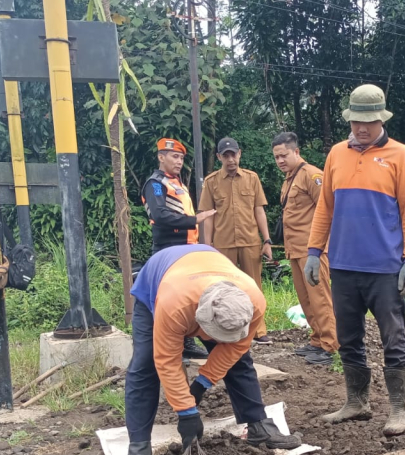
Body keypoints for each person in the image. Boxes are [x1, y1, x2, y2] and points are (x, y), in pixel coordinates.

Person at [122, 244, 301, 455]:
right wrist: (186, 412)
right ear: (202, 320)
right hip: (160, 280)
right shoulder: (175, 306)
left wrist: (202, 383)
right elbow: (167, 360)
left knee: (240, 362)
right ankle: (138, 447)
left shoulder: (254, 302)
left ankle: (259, 426)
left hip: (206, 268)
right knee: (145, 364)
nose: (218, 341)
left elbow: (235, 348)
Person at [305, 84, 405, 436]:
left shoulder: (401, 156)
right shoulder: (336, 154)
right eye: (356, 121)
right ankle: (357, 401)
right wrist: (314, 251)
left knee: (393, 336)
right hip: (343, 265)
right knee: (348, 335)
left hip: (385, 267)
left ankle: (399, 408)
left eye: (368, 122)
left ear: (381, 119)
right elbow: (325, 205)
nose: (361, 128)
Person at [140, 136, 216, 361]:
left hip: (186, 248)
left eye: (181, 157)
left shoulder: (178, 183)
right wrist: (196, 219)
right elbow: (160, 215)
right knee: (168, 298)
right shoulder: (155, 183)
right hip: (167, 248)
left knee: (187, 296)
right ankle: (169, 346)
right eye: (174, 156)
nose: (179, 161)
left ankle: (187, 342)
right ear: (161, 157)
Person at [271, 131, 338, 366]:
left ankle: (330, 345)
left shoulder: (312, 175)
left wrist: (321, 247)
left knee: (320, 298)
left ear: (296, 152)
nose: (280, 161)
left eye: (284, 155)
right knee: (306, 299)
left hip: (313, 250)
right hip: (294, 249)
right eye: (276, 157)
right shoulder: (289, 178)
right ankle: (318, 339)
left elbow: (329, 208)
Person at [198, 137, 274, 344]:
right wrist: (207, 246)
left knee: (254, 286)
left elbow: (259, 210)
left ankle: (258, 331)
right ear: (219, 157)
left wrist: (266, 240)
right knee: (224, 288)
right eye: (226, 155)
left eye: (233, 154)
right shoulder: (211, 181)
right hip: (223, 245)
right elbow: (209, 216)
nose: (230, 159)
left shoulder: (252, 178)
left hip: (250, 241)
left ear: (239, 154)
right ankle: (226, 330)